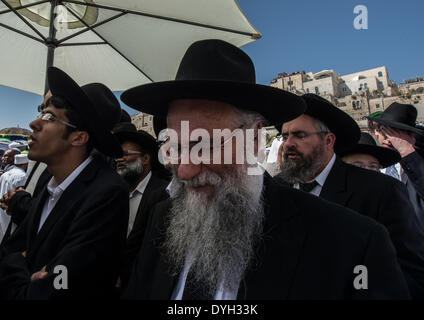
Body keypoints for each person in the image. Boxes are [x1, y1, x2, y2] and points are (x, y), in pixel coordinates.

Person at [120, 39, 409, 299]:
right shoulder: (162, 220)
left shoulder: (351, 243)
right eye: (176, 147)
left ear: (254, 138)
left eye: (204, 145)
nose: (184, 171)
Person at [277, 94, 424, 298]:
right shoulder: (274, 190)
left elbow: (409, 273)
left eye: (299, 135)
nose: (288, 144)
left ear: (328, 141)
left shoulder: (380, 191)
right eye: (285, 136)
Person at [0, 67, 129, 299]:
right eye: (41, 113)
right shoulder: (49, 182)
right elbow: (10, 251)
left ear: (78, 137)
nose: (34, 123)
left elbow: (58, 288)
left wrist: (18, 268)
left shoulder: (107, 193)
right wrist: (23, 271)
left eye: (49, 116)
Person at [113, 123, 169, 285]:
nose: (119, 159)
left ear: (145, 159)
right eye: (117, 154)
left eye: (125, 154)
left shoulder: (164, 195)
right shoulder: (115, 191)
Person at [368, 102, 424, 230]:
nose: (388, 139)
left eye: (394, 134)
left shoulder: (417, 162)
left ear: (410, 136)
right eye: (384, 132)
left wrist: (407, 152)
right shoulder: (375, 165)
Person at [0, 154, 28, 242]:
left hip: (3, 209)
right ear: (25, 164)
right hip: (11, 210)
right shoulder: (22, 176)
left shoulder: (5, 174)